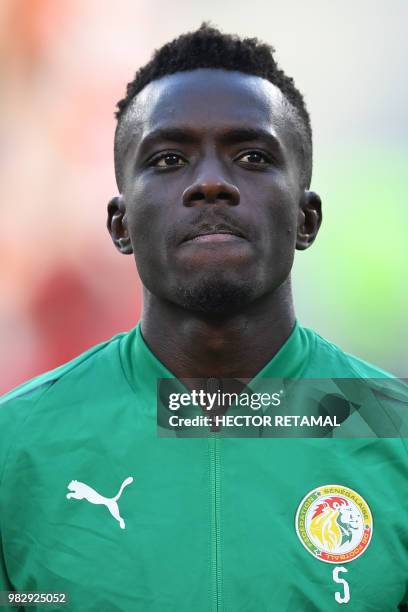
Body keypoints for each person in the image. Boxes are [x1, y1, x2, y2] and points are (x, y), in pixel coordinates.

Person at [0, 23, 407, 612]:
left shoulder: (392, 426)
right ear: (120, 225)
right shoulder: (18, 445)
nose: (211, 183)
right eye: (168, 159)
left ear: (306, 219)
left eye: (251, 156)